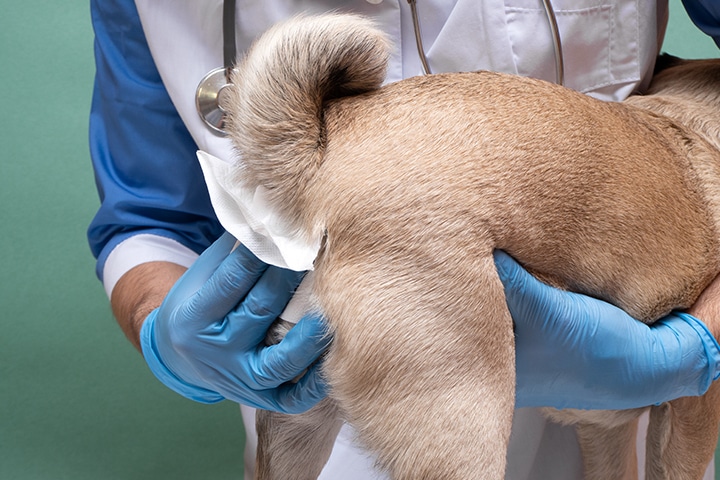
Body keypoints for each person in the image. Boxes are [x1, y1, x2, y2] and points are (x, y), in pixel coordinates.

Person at [88, 1, 720, 478]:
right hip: (326, 412)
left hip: (599, 410)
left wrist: (704, 341)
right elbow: (147, 217)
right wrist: (168, 333)